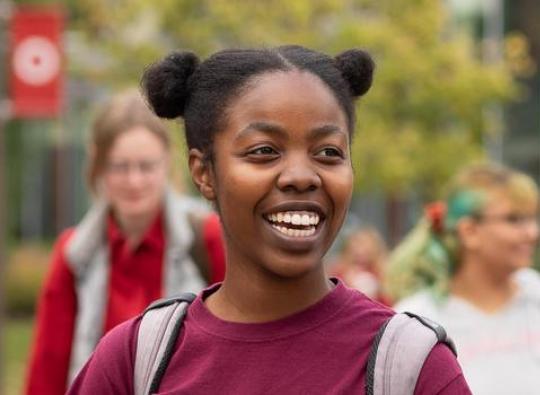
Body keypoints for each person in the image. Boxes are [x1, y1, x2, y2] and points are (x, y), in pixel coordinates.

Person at [68, 45, 470, 394]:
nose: (301, 176)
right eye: (264, 151)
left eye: (328, 152)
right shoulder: (133, 361)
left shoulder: (412, 369)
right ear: (203, 172)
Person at [25, 90, 225, 395]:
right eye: (120, 166)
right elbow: (48, 369)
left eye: (146, 166)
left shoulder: (207, 238)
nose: (134, 181)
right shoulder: (75, 253)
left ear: (167, 164)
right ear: (99, 167)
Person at [388, 163, 540, 395]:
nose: (532, 233)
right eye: (514, 219)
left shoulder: (535, 294)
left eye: (532, 219)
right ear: (469, 231)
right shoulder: (418, 320)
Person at [330, 226, 391, 304]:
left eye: (365, 248)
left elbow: (389, 302)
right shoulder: (340, 272)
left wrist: (378, 290)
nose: (360, 251)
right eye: (358, 246)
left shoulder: (381, 272)